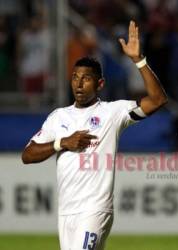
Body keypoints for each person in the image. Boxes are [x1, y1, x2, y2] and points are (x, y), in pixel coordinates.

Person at [22, 21, 167, 250]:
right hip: (67, 212)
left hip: (95, 210)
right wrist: (62, 143)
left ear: (100, 84)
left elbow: (158, 100)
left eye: (86, 78)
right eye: (75, 77)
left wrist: (139, 60)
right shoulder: (58, 117)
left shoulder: (112, 112)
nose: (79, 84)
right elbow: (28, 154)